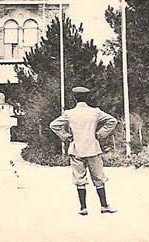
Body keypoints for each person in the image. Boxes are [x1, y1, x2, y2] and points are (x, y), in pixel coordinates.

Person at [49, 86, 119, 216]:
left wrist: (66, 136)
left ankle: (83, 208)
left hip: (76, 149)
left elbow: (54, 125)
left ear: (74, 98)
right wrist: (100, 134)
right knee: (99, 177)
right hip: (93, 147)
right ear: (87, 97)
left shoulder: (69, 113)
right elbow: (112, 121)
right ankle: (104, 206)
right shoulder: (95, 112)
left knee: (79, 178)